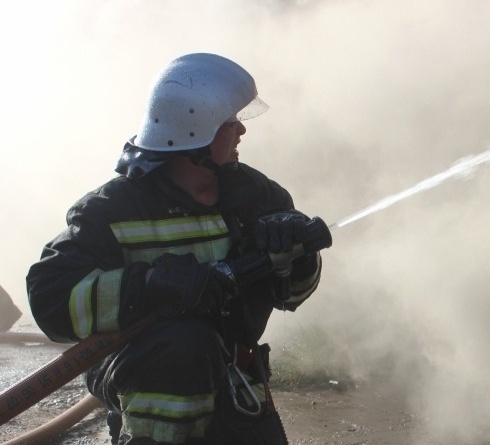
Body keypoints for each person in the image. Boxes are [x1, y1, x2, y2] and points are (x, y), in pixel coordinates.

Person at [26, 53, 331, 445]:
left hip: (235, 378)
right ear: (195, 133)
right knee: (183, 345)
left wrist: (298, 257)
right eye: (229, 122)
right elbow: (50, 299)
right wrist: (148, 285)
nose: (241, 130)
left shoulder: (258, 198)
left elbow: (293, 295)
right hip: (149, 381)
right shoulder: (111, 211)